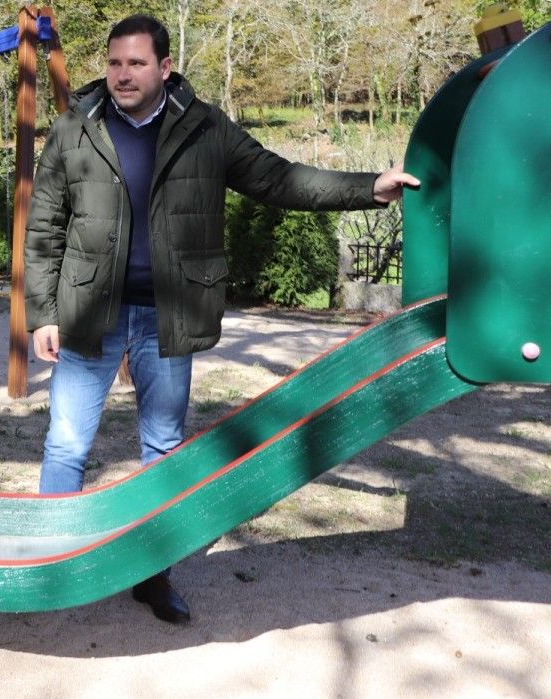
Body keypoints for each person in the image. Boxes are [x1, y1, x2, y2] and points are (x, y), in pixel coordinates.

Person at [23, 14, 419, 624]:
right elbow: (45, 226)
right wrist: (43, 313)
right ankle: (50, 570)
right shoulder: (76, 126)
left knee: (163, 447)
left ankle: (153, 573)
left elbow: (280, 179)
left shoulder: (204, 129)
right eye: (114, 62)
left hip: (168, 317)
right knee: (67, 443)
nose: (122, 75)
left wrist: (369, 186)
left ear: (164, 67)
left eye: (135, 63)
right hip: (87, 314)